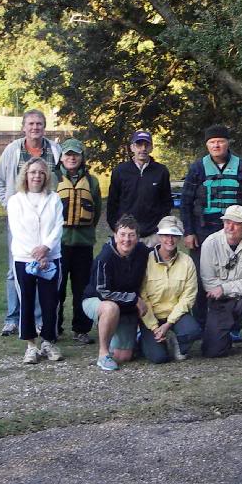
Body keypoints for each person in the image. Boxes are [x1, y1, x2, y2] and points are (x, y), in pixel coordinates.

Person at [0, 109, 61, 336]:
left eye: (39, 124)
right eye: (31, 124)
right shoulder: (13, 151)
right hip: (21, 220)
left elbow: (59, 182)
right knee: (16, 269)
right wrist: (10, 205)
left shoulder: (54, 150)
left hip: (46, 218)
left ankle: (40, 320)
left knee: (44, 266)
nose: (35, 128)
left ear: (44, 127)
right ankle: (13, 317)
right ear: (24, 127)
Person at [181, 125, 242, 331]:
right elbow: (186, 202)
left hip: (234, 233)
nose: (216, 145)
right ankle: (202, 325)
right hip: (203, 231)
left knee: (234, 277)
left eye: (220, 141)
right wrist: (188, 231)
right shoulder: (197, 168)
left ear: (227, 143)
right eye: (212, 142)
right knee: (201, 277)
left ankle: (234, 327)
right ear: (207, 145)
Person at [7, 158, 65, 364]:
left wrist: (46, 249)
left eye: (41, 172)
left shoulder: (54, 199)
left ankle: (49, 341)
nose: (37, 176)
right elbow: (17, 231)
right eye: (33, 172)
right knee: (27, 302)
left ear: (46, 176)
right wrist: (35, 253)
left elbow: (58, 226)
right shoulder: (16, 200)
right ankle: (31, 345)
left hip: (51, 258)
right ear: (26, 175)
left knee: (51, 302)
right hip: (24, 259)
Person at [200, 205, 242, 358]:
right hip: (221, 301)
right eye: (227, 222)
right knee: (212, 352)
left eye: (236, 223)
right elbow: (209, 284)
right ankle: (224, 338)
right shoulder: (210, 243)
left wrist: (224, 289)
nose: (230, 227)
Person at [82, 214, 150, 371]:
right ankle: (103, 354)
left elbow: (158, 253)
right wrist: (134, 299)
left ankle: (136, 336)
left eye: (132, 235)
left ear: (138, 238)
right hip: (97, 300)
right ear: (115, 235)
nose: (127, 239)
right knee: (110, 308)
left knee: (123, 357)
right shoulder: (105, 257)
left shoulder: (141, 251)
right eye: (123, 235)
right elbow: (103, 292)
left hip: (126, 306)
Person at [55, 138, 101, 344]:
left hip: (83, 243)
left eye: (75, 154)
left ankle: (81, 329)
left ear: (82, 157)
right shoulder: (52, 179)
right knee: (56, 287)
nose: (71, 158)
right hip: (58, 244)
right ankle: (53, 327)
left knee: (82, 288)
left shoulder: (92, 182)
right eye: (67, 154)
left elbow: (97, 211)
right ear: (61, 157)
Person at [139, 216, 203, 363]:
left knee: (193, 331)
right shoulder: (146, 260)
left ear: (180, 238)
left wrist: (168, 324)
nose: (170, 239)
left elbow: (189, 296)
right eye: (166, 235)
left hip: (176, 315)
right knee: (159, 358)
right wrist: (155, 327)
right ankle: (146, 339)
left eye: (175, 235)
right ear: (159, 236)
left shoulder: (187, 262)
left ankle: (177, 341)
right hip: (152, 316)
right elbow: (142, 296)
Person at [106, 130, 173, 248]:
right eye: (139, 145)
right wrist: (117, 229)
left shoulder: (161, 171)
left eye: (146, 145)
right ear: (132, 147)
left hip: (153, 236)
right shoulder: (120, 171)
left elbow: (166, 203)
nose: (143, 149)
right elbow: (112, 203)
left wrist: (159, 228)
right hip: (126, 235)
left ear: (151, 147)